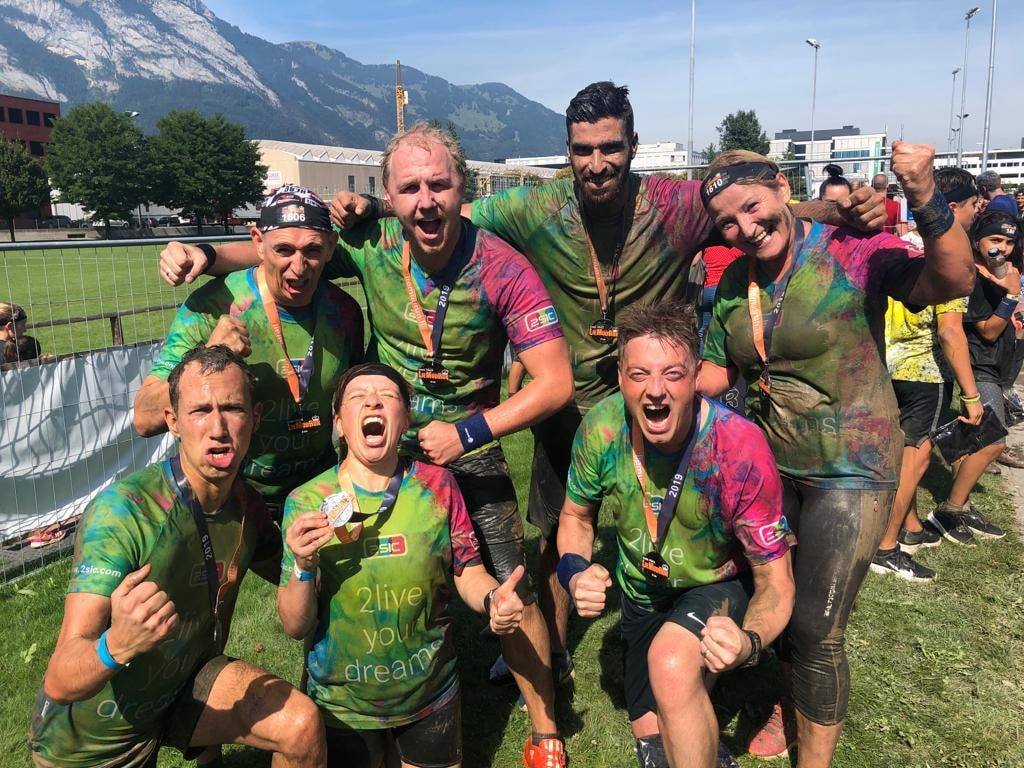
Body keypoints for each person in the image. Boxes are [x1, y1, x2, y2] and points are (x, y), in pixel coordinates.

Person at [318, 82, 886, 687]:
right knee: (553, 529)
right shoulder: (534, 207)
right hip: (569, 414)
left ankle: (703, 639)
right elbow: (442, 208)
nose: (597, 163)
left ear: (633, 144)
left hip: (652, 402)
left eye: (610, 147)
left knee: (693, 523)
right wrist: (368, 207)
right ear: (568, 151)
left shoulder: (676, 204)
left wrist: (842, 212)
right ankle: (554, 651)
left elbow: (752, 207)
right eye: (583, 150)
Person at [157, 123, 575, 767]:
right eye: (409, 188)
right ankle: (353, 689)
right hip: (385, 441)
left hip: (471, 441)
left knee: (508, 582)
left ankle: (546, 724)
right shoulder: (372, 242)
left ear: (462, 187)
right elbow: (285, 249)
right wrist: (206, 256)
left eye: (439, 185)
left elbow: (555, 382)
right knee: (349, 572)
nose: (426, 201)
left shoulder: (502, 267)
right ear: (389, 196)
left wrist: (467, 432)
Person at [697, 142, 973, 766]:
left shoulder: (850, 250)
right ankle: (787, 704)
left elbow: (954, 279)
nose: (746, 228)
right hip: (774, 468)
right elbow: (719, 369)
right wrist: (659, 381)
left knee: (818, 630)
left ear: (780, 186)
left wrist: (924, 195)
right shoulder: (736, 281)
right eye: (727, 222)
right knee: (777, 598)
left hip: (851, 469)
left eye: (753, 206)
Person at [29, 345, 325, 768]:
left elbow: (291, 582)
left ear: (255, 418)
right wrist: (116, 644)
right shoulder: (124, 513)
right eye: (200, 410)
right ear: (173, 422)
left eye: (233, 408)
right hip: (94, 736)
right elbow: (60, 678)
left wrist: (312, 557)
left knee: (301, 725)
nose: (218, 428)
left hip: (184, 684)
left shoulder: (247, 506)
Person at [556, 300, 794, 768]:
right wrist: (575, 570)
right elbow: (576, 518)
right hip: (643, 591)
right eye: (639, 374)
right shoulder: (601, 428)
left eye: (673, 374)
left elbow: (777, 581)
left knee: (670, 665)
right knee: (652, 734)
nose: (655, 391)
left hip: (718, 582)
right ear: (620, 377)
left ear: (697, 376)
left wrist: (748, 642)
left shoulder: (740, 447)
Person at [278, 362, 528, 768]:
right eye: (357, 396)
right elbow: (294, 625)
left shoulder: (439, 486)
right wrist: (304, 565)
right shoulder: (306, 501)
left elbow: (468, 572)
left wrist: (491, 599)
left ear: (405, 420)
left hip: (429, 695)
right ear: (339, 423)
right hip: (342, 704)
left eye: (387, 395)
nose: (373, 402)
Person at [135, 185, 364, 518]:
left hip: (317, 492)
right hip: (234, 497)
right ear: (258, 242)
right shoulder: (213, 307)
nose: (298, 267)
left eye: (312, 250)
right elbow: (144, 418)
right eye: (283, 250)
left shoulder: (344, 312)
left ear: (330, 247)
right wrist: (211, 353)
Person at [873, 289, 983, 581]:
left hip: (885, 367)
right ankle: (885, 548)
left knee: (895, 455)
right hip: (926, 374)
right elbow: (950, 331)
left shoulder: (896, 261)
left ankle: (911, 528)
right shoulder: (951, 273)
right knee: (914, 461)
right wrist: (971, 396)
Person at [927, 209, 1019, 543]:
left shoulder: (1000, 271)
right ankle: (950, 509)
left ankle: (962, 505)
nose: (1002, 248)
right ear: (977, 239)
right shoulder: (973, 276)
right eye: (995, 239)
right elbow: (988, 330)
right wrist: (1012, 295)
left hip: (993, 364)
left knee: (966, 441)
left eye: (1009, 242)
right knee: (993, 442)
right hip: (979, 366)